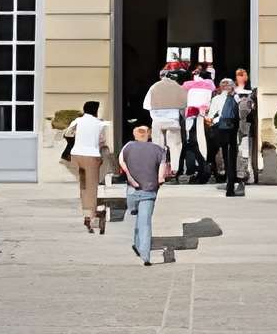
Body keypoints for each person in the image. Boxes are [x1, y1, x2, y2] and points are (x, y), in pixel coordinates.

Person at [118, 123, 171, 266]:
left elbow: (121, 161)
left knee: (135, 215)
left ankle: (137, 244)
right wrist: (159, 180)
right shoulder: (159, 150)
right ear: (149, 135)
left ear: (135, 135)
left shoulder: (128, 146)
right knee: (145, 222)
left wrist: (130, 177)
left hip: (132, 190)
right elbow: (161, 175)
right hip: (149, 190)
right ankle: (145, 254)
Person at [64, 100, 110, 232]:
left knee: (84, 185)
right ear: (96, 110)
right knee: (91, 188)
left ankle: (86, 213)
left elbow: (67, 134)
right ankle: (91, 217)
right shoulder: (100, 123)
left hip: (76, 156)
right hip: (91, 156)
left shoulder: (77, 121)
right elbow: (103, 141)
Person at [206, 77, 241, 196]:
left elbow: (210, 117)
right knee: (232, 156)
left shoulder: (216, 99)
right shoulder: (237, 98)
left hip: (221, 129)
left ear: (220, 87)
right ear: (232, 87)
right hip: (233, 130)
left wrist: (213, 122)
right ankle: (231, 184)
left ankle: (227, 180)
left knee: (225, 155)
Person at [144, 69, 187, 163]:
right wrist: (183, 118)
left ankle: (160, 165)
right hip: (173, 121)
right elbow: (184, 105)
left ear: (160, 76)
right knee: (175, 146)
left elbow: (146, 105)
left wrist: (155, 116)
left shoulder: (154, 87)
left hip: (158, 121)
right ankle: (174, 167)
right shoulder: (177, 87)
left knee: (158, 146)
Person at [181, 68, 216, 182]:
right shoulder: (210, 88)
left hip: (194, 117)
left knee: (194, 143)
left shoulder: (189, 86)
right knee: (201, 143)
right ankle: (203, 169)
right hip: (203, 116)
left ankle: (200, 169)